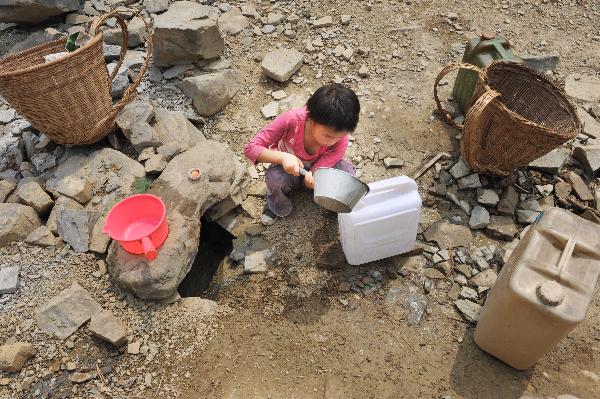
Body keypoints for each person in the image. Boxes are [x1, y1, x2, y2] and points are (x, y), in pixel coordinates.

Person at [244, 84, 360, 225]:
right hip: (287, 169)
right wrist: (283, 157)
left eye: (340, 136)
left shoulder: (340, 140)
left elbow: (323, 166)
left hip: (316, 170)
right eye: (328, 136)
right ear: (311, 119)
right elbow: (251, 148)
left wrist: (313, 179)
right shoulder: (291, 120)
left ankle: (334, 205)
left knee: (347, 172)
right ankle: (276, 206)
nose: (333, 142)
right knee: (275, 179)